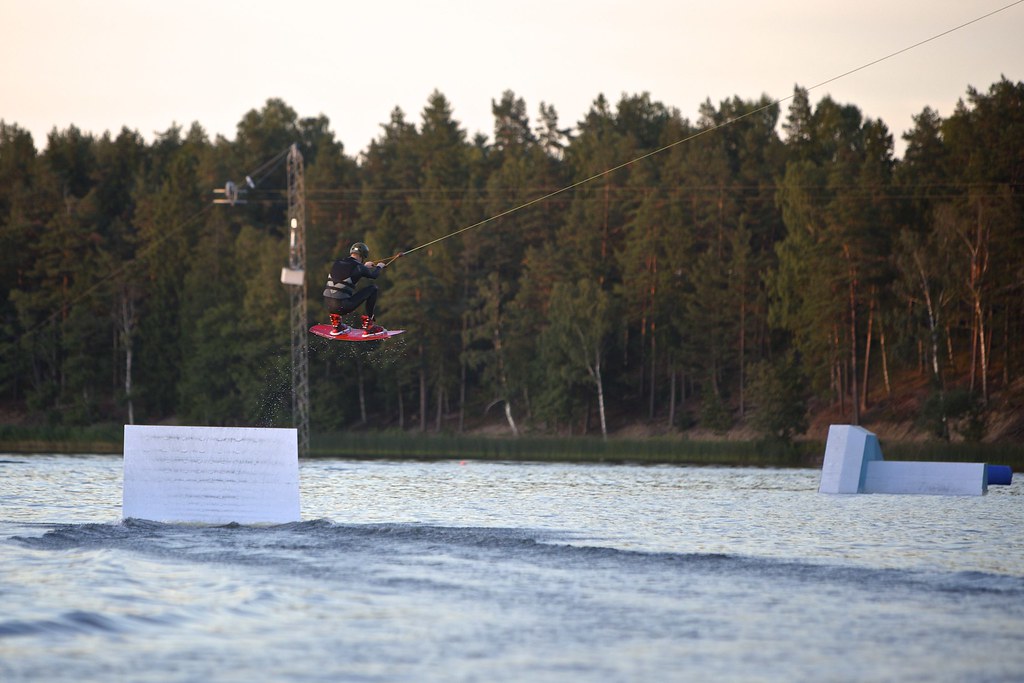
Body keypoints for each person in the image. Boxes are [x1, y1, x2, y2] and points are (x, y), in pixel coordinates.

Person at [322, 242, 388, 335]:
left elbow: (351, 272)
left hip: (328, 305)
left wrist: (364, 267)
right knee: (373, 288)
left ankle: (337, 324)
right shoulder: (359, 267)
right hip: (343, 307)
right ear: (363, 255)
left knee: (337, 295)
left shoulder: (337, 263)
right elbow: (374, 275)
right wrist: (379, 267)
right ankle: (369, 326)